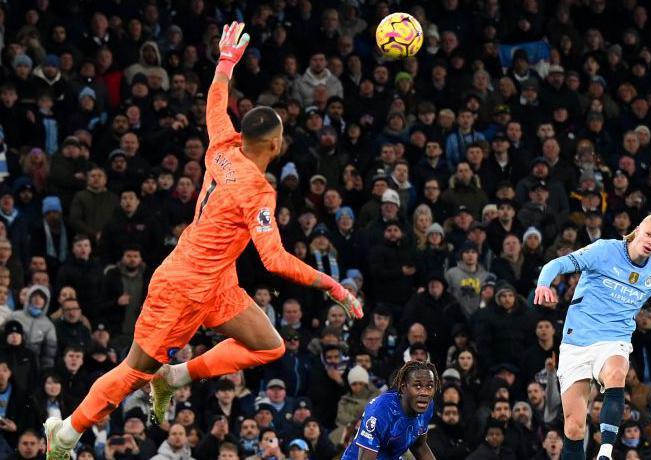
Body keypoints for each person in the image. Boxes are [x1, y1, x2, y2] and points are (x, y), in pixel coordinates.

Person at [44, 22, 362, 460]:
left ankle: (175, 377)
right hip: (181, 287)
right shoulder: (257, 190)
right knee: (133, 372)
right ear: (274, 143)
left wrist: (225, 63)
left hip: (217, 282)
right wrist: (335, 287)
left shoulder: (223, 147)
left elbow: (215, 105)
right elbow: (275, 260)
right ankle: (64, 436)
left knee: (269, 346)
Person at [533, 214, 651, 460]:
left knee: (616, 373)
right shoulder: (604, 250)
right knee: (573, 426)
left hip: (615, 339)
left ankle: (605, 452)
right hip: (577, 341)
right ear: (637, 231)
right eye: (649, 234)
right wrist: (543, 283)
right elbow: (560, 264)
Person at [341, 360, 438, 460]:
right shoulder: (380, 411)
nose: (425, 392)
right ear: (403, 387)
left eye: (429, 386)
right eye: (418, 386)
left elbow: (419, 446)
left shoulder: (427, 406)